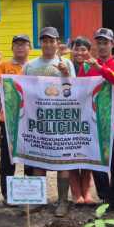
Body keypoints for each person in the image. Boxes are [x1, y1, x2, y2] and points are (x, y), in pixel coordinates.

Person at [21, 26, 75, 216]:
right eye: (44, 40)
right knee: (39, 159)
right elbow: (22, 91)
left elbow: (73, 91)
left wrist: (66, 74)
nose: (48, 44)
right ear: (40, 43)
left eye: (51, 40)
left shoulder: (66, 64)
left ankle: (62, 201)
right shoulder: (29, 66)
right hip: (39, 119)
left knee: (63, 161)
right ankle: (38, 200)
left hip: (60, 119)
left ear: (57, 43)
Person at [86, 28, 114, 213]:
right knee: (97, 161)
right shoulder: (88, 65)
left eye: (106, 43)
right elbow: (79, 88)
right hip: (93, 122)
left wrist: (101, 70)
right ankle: (104, 196)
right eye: (99, 43)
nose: (102, 46)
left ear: (112, 44)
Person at [0, 34, 33, 204]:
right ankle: (8, 195)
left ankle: (30, 194)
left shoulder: (34, 67)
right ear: (12, 48)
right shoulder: (3, 66)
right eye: (16, 44)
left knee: (31, 157)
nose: (20, 48)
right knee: (8, 158)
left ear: (29, 48)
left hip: (31, 120)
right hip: (8, 120)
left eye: (23, 44)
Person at [68, 36, 97, 205]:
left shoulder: (91, 67)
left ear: (89, 52)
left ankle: (87, 192)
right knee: (70, 153)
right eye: (76, 49)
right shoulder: (65, 65)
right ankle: (76, 193)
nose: (79, 52)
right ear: (72, 50)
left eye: (83, 49)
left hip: (87, 115)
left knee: (86, 153)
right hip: (69, 115)